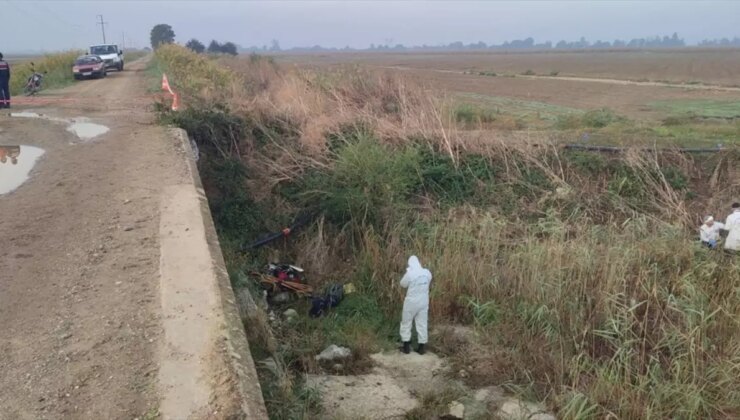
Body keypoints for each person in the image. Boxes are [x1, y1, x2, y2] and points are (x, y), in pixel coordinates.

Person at [399, 255, 432, 355]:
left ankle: (406, 347)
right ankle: (421, 347)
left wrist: (408, 272)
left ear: (410, 264)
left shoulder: (410, 274)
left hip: (411, 302)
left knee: (406, 322)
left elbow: (402, 284)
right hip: (424, 301)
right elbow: (429, 281)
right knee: (422, 323)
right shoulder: (427, 272)